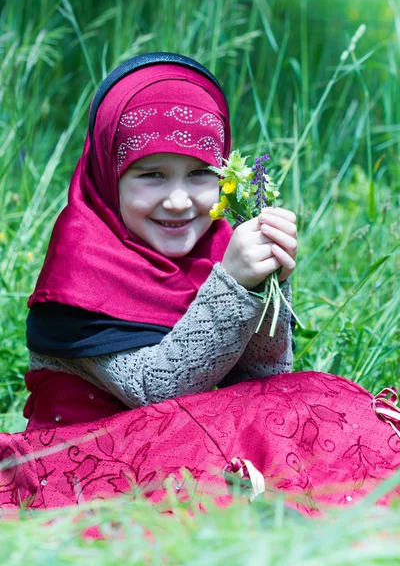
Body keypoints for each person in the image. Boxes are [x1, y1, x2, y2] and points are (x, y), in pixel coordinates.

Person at [0, 53, 398, 516]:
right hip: (92, 457)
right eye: (151, 175)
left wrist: (268, 286)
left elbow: (264, 381)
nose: (177, 200)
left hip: (186, 438)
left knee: (312, 402)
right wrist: (233, 286)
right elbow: (155, 390)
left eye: (200, 174)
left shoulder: (219, 245)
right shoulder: (79, 267)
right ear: (109, 176)